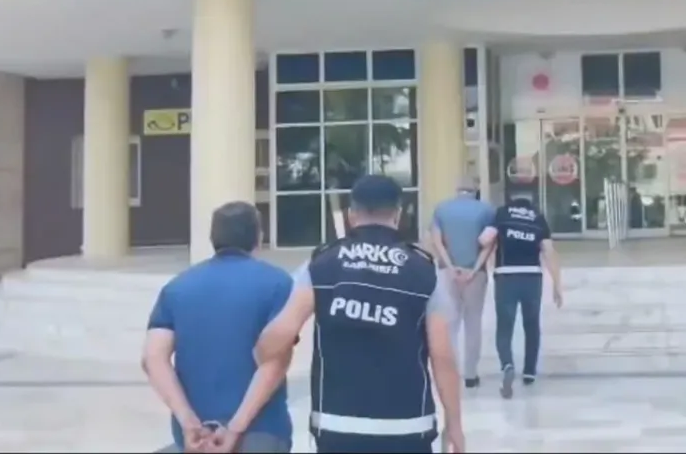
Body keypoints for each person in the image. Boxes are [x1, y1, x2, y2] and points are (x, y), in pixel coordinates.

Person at [255, 174, 465, 454]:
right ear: (398, 215)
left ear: (351, 215)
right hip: (407, 427)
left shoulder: (321, 264)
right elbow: (443, 356)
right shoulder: (424, 270)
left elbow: (281, 334)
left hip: (337, 426)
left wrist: (261, 353)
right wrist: (454, 423)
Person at [142, 201, 295, 453]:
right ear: (258, 237)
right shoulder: (278, 284)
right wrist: (235, 428)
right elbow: (276, 362)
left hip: (197, 438)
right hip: (261, 433)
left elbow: (153, 359)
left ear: (213, 238)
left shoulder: (177, 287)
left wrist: (188, 421)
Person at [478, 194, 563, 400]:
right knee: (531, 325)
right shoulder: (538, 218)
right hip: (532, 277)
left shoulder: (502, 215)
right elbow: (549, 251)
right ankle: (529, 372)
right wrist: (557, 284)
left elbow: (485, 240)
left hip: (506, 276)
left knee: (505, 327)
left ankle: (507, 364)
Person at [428, 177, 497, 389]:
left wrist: (450, 267)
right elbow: (489, 244)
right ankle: (470, 374)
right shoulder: (487, 210)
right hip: (475, 274)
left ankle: (452, 371)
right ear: (475, 190)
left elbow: (437, 241)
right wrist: (474, 269)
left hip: (447, 273)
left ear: (457, 190)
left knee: (451, 324)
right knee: (473, 324)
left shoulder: (441, 209)